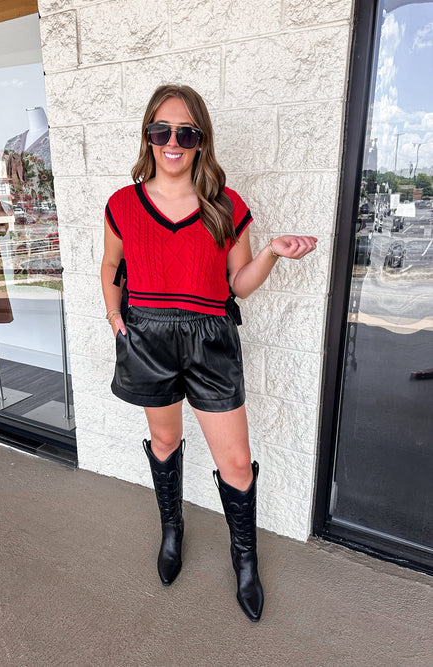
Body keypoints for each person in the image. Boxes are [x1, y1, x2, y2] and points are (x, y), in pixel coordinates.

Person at [101, 84, 317, 622]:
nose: (172, 141)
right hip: (147, 337)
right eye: (162, 130)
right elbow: (110, 270)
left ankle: (245, 560)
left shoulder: (226, 204)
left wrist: (271, 251)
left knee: (236, 462)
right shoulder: (123, 204)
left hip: (210, 339)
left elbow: (239, 284)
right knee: (165, 439)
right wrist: (114, 319)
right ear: (148, 136)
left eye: (186, 132)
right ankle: (171, 530)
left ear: (200, 140)